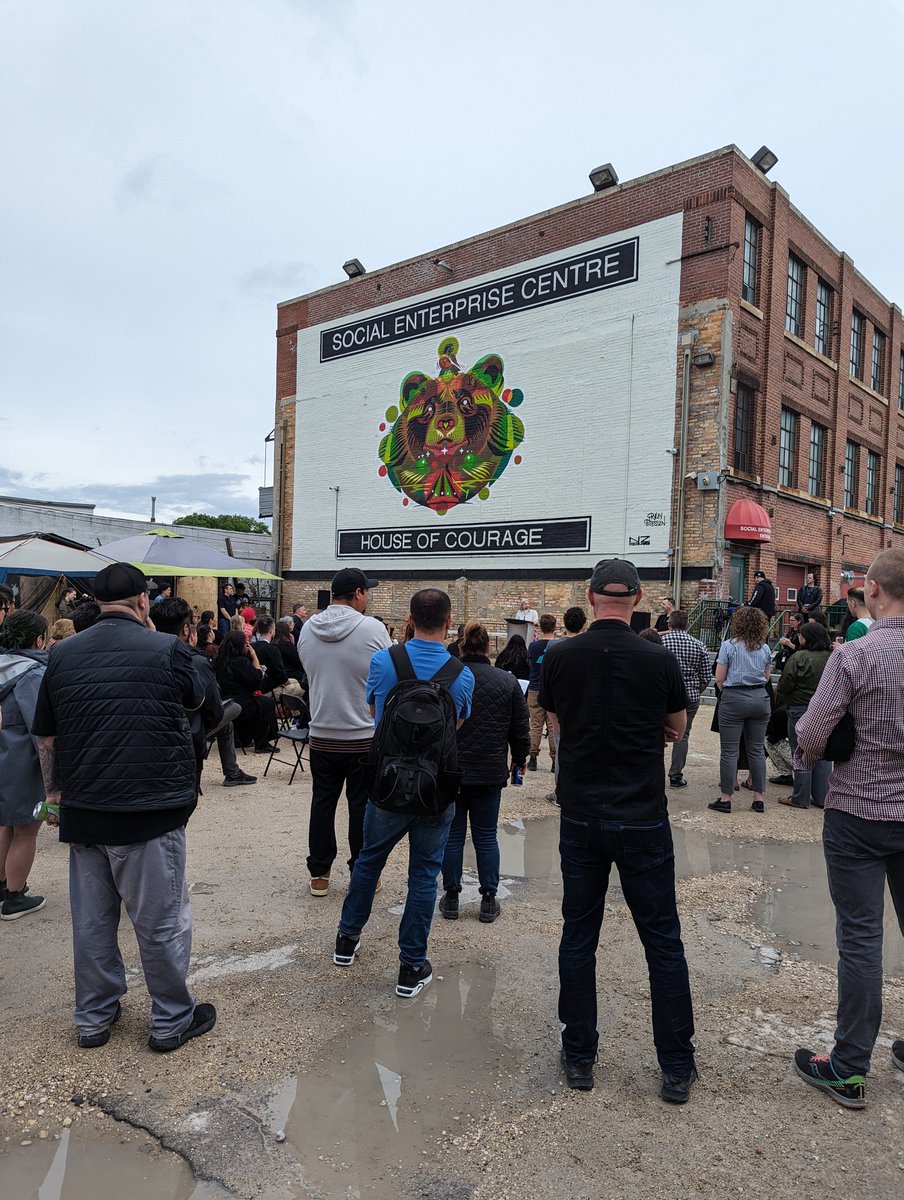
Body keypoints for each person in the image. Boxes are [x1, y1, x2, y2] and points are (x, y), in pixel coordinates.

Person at [31, 562, 216, 1052]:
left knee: (93, 922)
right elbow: (198, 703)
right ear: (143, 601)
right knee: (159, 923)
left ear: (94, 603)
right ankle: (171, 1020)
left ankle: (94, 1017)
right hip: (149, 810)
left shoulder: (61, 654)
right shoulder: (168, 648)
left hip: (84, 808)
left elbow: (46, 734)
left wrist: (53, 793)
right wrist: (163, 640)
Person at [539, 559, 695, 1101]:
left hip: (581, 812)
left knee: (579, 935)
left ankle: (580, 1054)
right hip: (642, 815)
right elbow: (676, 729)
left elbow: (554, 718)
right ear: (636, 598)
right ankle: (676, 1064)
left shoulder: (560, 656)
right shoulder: (658, 659)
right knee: (662, 940)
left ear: (590, 595)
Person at [792, 548, 904, 1108]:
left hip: (859, 810)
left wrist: (804, 767)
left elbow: (812, 732)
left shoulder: (854, 656)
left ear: (873, 591)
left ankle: (849, 1066)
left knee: (862, 938)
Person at [333, 588, 473, 997]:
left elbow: (376, 712)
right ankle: (411, 966)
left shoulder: (383, 661)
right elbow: (456, 727)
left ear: (409, 620)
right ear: (449, 623)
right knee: (424, 873)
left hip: (387, 783)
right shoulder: (461, 673)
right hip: (435, 789)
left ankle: (347, 939)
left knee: (369, 861)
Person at [297, 568, 391, 897]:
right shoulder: (374, 629)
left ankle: (319, 873)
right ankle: (362, 871)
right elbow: (387, 672)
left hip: (322, 733)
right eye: (368, 591)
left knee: (322, 803)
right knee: (361, 806)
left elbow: (309, 670)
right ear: (358, 594)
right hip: (363, 735)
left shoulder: (308, 628)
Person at [439, 621, 529, 924]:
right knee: (486, 836)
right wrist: (519, 759)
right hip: (489, 769)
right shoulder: (506, 681)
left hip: (451, 768)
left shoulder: (447, 677)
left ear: (461, 646)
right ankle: (489, 898)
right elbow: (520, 728)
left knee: (452, 836)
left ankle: (451, 895)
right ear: (489, 648)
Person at [153, 598, 256, 788]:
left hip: (155, 732)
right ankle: (232, 773)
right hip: (189, 730)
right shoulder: (196, 661)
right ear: (186, 630)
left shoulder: (146, 657)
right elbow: (211, 705)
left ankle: (232, 772)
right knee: (233, 708)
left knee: (226, 726)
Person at [0, 611, 49, 919]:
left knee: (5, 825)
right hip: (22, 761)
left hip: (2, 756)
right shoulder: (31, 674)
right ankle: (16, 897)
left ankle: (3, 884)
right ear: (38, 639)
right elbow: (40, 727)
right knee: (26, 830)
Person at [708, 606, 772, 814]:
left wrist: (728, 693)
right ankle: (758, 797)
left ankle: (726, 798)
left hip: (734, 696)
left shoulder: (729, 646)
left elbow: (719, 677)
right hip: (760, 697)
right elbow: (767, 676)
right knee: (756, 749)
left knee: (729, 750)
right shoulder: (765, 648)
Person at [774, 621, 832, 810]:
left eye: (800, 636)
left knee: (800, 751)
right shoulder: (832, 657)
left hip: (799, 707)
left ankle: (800, 796)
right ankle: (822, 796)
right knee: (822, 752)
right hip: (824, 708)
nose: (798, 638)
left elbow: (784, 685)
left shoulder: (799, 657)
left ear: (806, 638)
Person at [660, 610, 711, 789]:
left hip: (662, 695)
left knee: (655, 732)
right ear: (687, 624)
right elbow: (706, 675)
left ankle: (654, 773)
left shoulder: (661, 643)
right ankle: (675, 775)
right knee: (683, 735)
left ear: (669, 624)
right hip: (689, 695)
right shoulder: (698, 645)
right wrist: (696, 690)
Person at [214, 631, 277, 753]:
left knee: (258, 703)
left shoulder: (219, 660)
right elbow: (257, 678)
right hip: (241, 703)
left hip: (225, 702)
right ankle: (262, 743)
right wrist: (254, 656)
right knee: (267, 703)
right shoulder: (240, 662)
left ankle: (242, 739)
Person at [526, 614, 557, 772]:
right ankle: (554, 760)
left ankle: (532, 758)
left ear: (540, 628)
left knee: (535, 725)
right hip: (552, 689)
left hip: (535, 687)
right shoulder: (557, 646)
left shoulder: (533, 646)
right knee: (552, 726)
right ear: (555, 627)